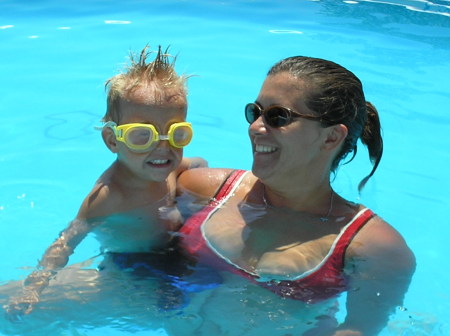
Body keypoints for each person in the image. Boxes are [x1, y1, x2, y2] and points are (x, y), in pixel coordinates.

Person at [177, 56, 416, 335]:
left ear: (331, 138)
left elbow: (357, 329)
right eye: (255, 112)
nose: (255, 127)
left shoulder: (373, 248)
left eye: (278, 116)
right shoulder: (205, 190)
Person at [5, 45, 206, 318]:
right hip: (130, 263)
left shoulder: (172, 168)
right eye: (141, 135)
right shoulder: (109, 196)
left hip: (172, 250)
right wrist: (34, 287)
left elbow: (200, 165)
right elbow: (66, 241)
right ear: (113, 140)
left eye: (177, 133)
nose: (163, 147)